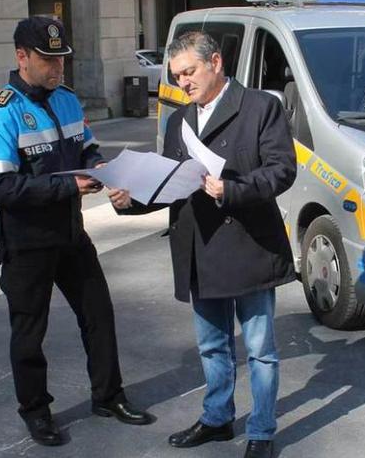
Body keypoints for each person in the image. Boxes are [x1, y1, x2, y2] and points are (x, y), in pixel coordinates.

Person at [108, 31, 297, 458]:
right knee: (212, 345)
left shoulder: (261, 107)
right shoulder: (179, 121)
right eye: (176, 76)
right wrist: (129, 199)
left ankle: (262, 432)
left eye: (189, 72)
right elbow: (168, 184)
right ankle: (217, 418)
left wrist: (229, 190)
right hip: (199, 246)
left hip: (248, 244)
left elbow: (282, 171)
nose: (183, 83)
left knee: (260, 350)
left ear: (215, 63)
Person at [0, 16, 154, 447]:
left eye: (62, 60)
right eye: (48, 60)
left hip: (71, 234)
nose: (57, 68)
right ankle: (36, 412)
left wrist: (101, 168)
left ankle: (108, 396)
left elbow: (86, 148)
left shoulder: (68, 101)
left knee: (99, 315)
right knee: (30, 334)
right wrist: (68, 185)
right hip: (26, 242)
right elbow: (0, 187)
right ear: (22, 57)